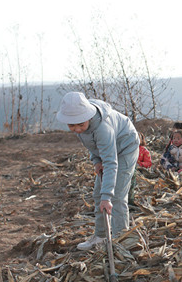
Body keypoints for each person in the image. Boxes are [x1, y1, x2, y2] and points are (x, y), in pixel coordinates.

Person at [56, 92, 140, 250]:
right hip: (108, 152)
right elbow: (92, 145)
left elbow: (111, 162)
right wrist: (96, 161)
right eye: (72, 125)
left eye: (80, 125)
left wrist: (107, 197)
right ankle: (101, 236)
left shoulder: (102, 128)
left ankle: (121, 241)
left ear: (87, 116)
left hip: (125, 147)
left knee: (116, 196)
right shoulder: (82, 127)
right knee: (97, 194)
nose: (77, 129)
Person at [128, 132, 152, 206]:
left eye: (139, 138)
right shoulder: (128, 149)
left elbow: (148, 163)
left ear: (142, 140)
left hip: (140, 171)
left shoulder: (144, 151)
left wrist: (140, 165)